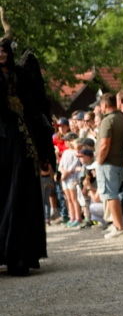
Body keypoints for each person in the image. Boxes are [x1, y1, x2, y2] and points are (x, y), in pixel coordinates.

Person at [0, 21, 55, 275]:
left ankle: (21, 255)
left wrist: (43, 152)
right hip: (3, 142)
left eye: (4, 50)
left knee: (21, 195)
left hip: (21, 143)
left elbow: (36, 107)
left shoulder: (21, 76)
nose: (1, 54)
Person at [96, 93, 123, 238]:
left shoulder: (107, 120)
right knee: (112, 194)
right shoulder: (122, 117)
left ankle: (119, 227)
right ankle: (116, 224)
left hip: (108, 163)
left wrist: (99, 161)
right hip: (119, 161)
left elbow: (104, 144)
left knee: (110, 195)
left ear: (104, 105)